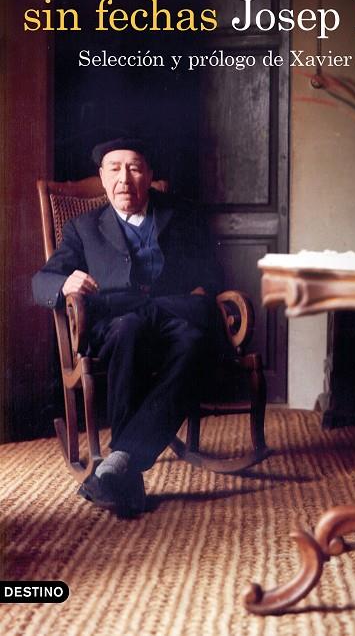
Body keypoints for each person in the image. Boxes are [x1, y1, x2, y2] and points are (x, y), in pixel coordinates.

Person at [33, 137, 223, 517]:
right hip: (118, 325)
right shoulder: (83, 228)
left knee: (194, 340)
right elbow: (41, 281)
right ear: (102, 178)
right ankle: (126, 465)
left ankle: (117, 465)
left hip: (172, 319)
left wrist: (200, 290)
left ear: (149, 175)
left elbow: (209, 274)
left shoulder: (181, 215)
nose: (124, 179)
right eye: (115, 169)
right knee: (129, 330)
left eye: (134, 168)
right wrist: (65, 282)